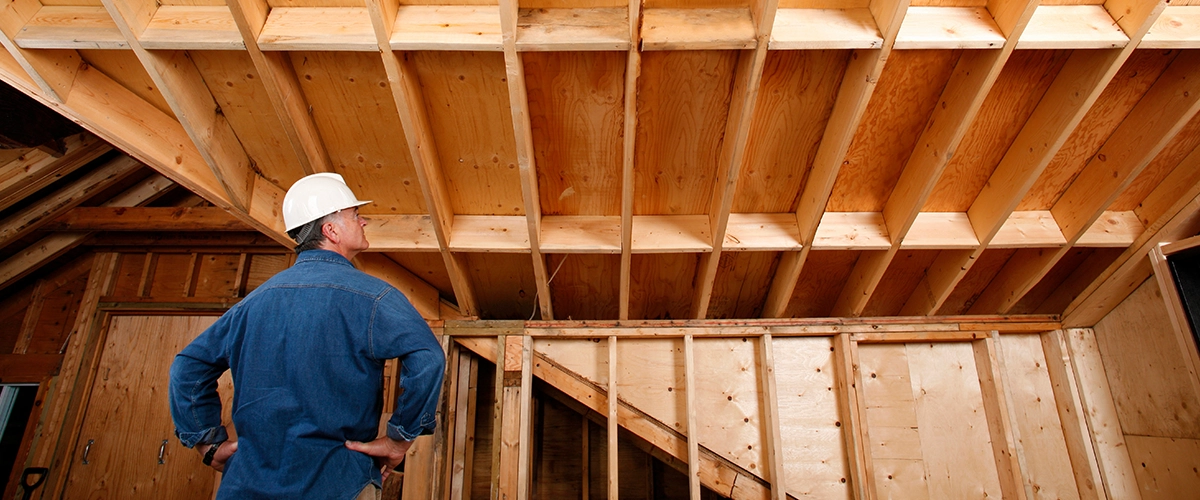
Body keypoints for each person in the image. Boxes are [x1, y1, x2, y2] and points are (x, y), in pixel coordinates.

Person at [169, 172, 446, 499]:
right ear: (331, 230)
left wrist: (206, 442)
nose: (364, 221)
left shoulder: (253, 303)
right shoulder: (374, 297)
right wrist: (400, 438)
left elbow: (187, 368)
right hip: (339, 482)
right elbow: (428, 359)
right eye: (355, 215)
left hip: (246, 484)